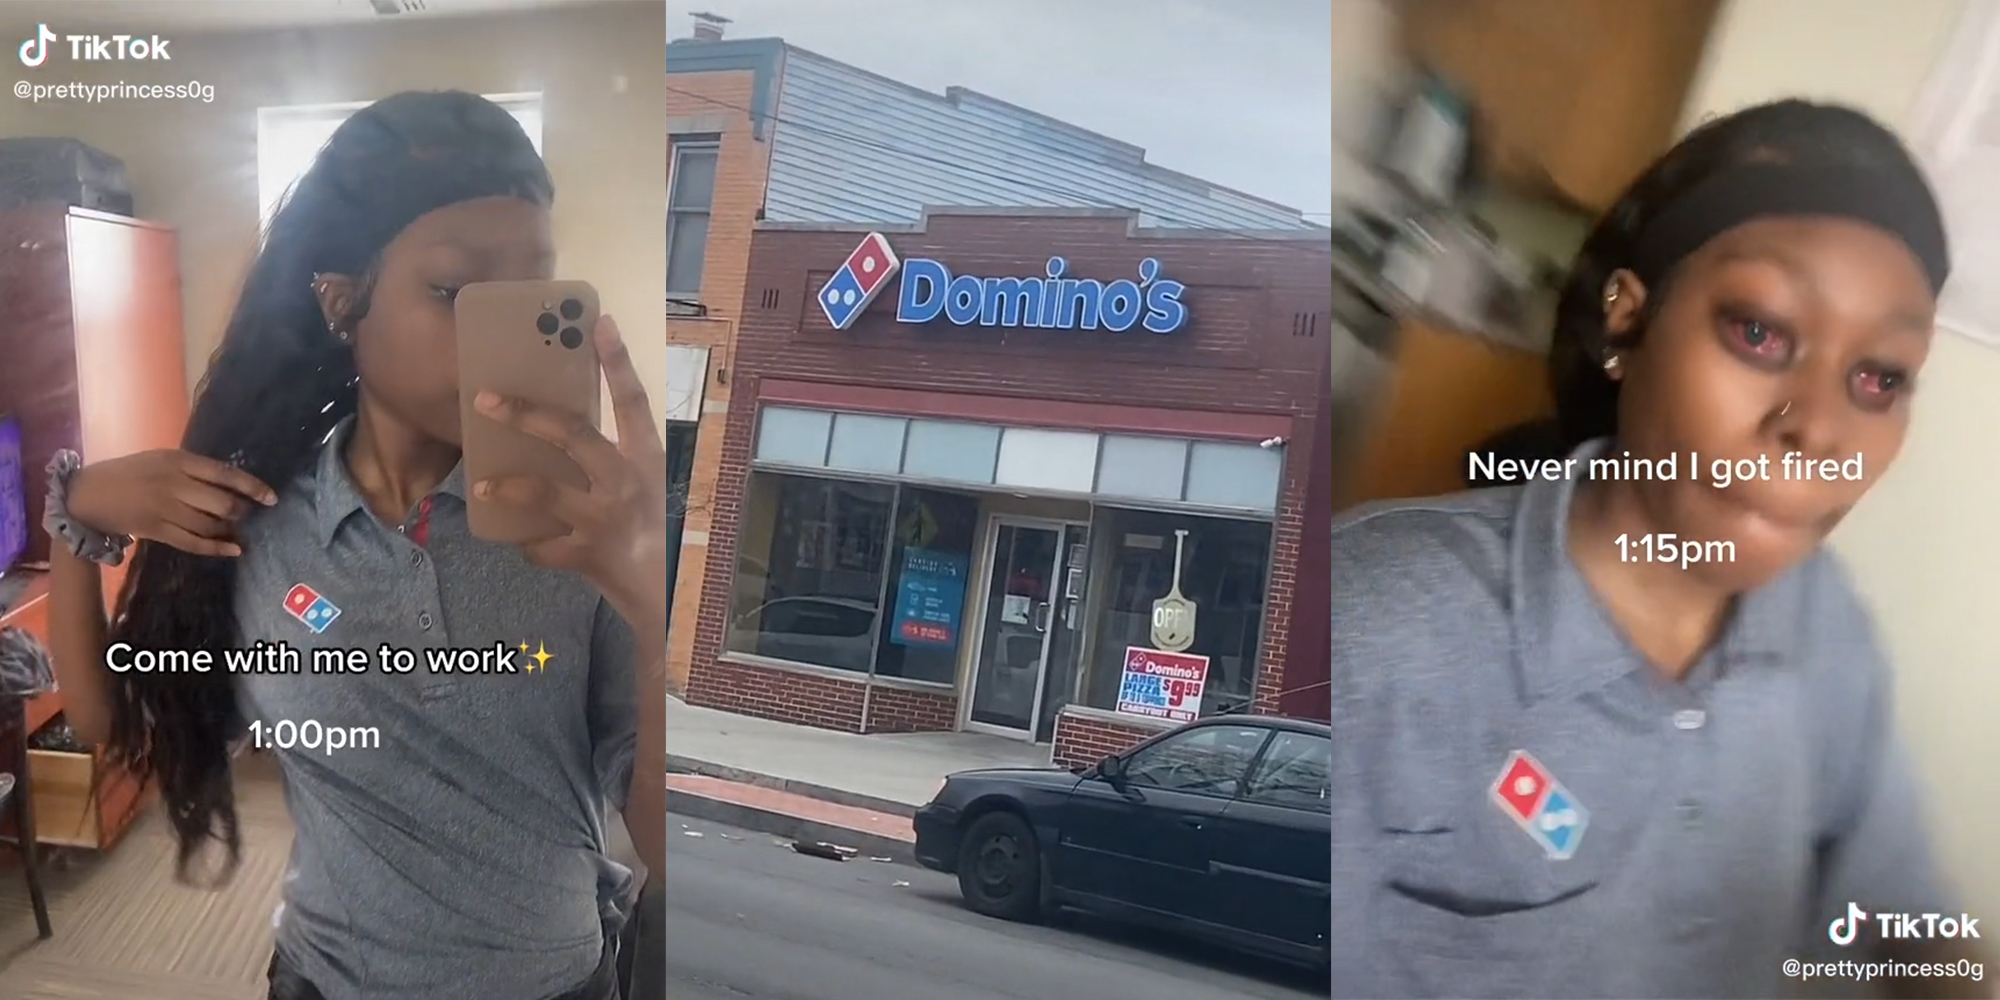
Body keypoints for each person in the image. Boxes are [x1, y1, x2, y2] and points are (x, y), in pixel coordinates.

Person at [1329, 99, 1992, 999]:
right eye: (1759, 331)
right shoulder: (1368, 633)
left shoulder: (1822, 620)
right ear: (1626, 325)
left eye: (1879, 378)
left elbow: (1891, 909)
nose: (1820, 429)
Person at [39, 91, 668, 1000]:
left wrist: (650, 605)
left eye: (530, 292)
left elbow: (657, 835)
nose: (498, 337)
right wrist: (77, 513)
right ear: (342, 303)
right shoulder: (255, 520)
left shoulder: (586, 534)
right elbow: (111, 725)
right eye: (454, 293)